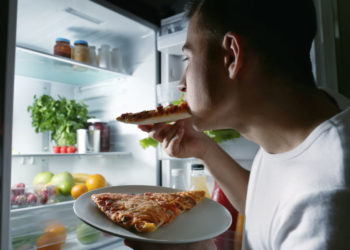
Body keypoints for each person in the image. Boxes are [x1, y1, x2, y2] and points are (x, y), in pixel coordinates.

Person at [128, 0, 350, 249]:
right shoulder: (315, 116)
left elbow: (302, 207)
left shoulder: (326, 202)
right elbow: (267, 209)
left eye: (187, 58)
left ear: (231, 56)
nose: (181, 83)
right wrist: (204, 149)